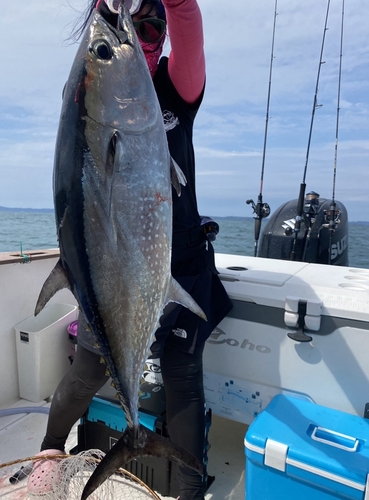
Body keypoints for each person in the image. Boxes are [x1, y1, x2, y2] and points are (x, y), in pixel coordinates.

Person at [27, 1, 232, 499]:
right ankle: (51, 452)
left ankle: (188, 490)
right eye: (132, 24)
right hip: (115, 269)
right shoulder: (87, 97)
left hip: (179, 263)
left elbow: (188, 26)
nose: (144, 34)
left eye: (152, 24)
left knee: (183, 378)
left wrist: (177, 5)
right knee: (87, 372)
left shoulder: (175, 90)